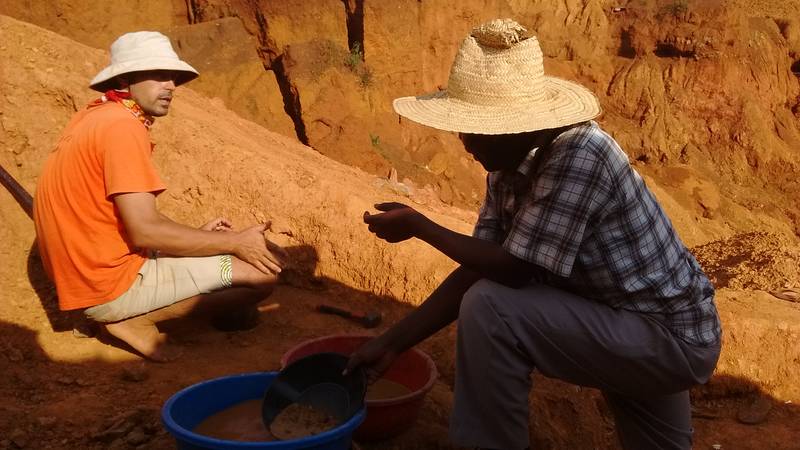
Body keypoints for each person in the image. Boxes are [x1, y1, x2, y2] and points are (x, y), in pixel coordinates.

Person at [346, 19, 721, 450]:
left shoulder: (580, 154)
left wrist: (420, 226)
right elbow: (480, 262)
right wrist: (392, 343)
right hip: (619, 314)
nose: (466, 143)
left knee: (491, 309)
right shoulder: (507, 164)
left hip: (668, 336)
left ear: (520, 125)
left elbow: (512, 271)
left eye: (476, 129)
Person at [33, 31, 287, 362]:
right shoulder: (122, 128)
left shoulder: (97, 116)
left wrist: (200, 237)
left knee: (224, 250)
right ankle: (134, 320)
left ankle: (126, 309)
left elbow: (131, 218)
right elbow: (145, 230)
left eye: (173, 77)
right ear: (126, 78)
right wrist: (235, 243)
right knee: (262, 276)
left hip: (92, 275)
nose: (170, 85)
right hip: (108, 286)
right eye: (158, 75)